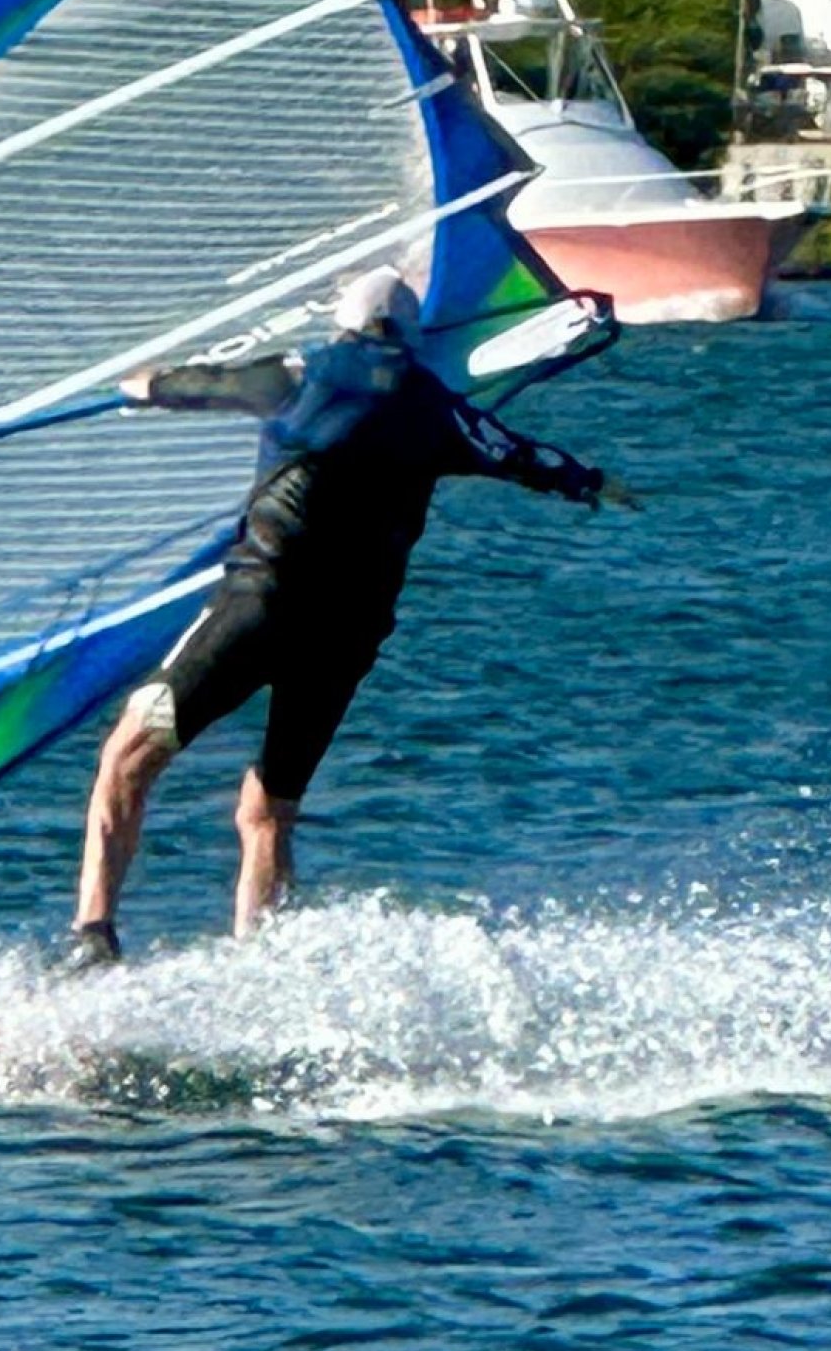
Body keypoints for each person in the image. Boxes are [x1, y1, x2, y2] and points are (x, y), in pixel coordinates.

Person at [68, 266, 624, 962]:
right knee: (269, 809)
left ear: (345, 323)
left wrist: (139, 384)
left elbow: (191, 384)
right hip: (345, 637)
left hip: (257, 611)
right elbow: (525, 457)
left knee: (127, 757)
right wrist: (593, 483)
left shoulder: (300, 374)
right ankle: (257, 971)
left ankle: (93, 937)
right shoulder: (441, 408)